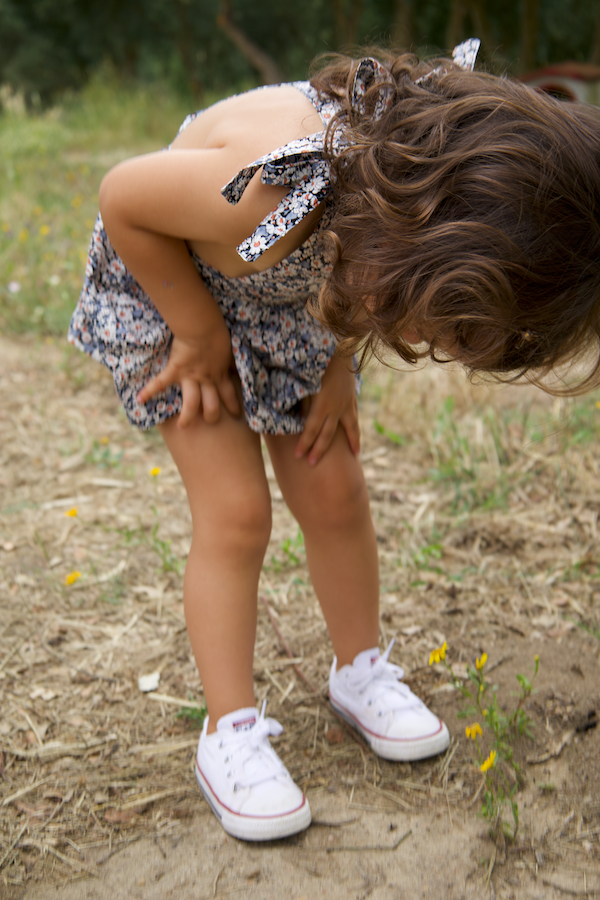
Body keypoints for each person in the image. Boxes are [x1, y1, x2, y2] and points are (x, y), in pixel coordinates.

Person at [68, 39, 600, 842]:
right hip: (175, 297)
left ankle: (360, 673)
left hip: (291, 305)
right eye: (450, 328)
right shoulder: (263, 189)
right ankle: (230, 731)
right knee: (238, 515)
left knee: (335, 488)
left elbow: (355, 263)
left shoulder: (389, 209)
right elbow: (124, 198)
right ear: (427, 249)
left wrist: (340, 365)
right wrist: (200, 331)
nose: (441, 349)